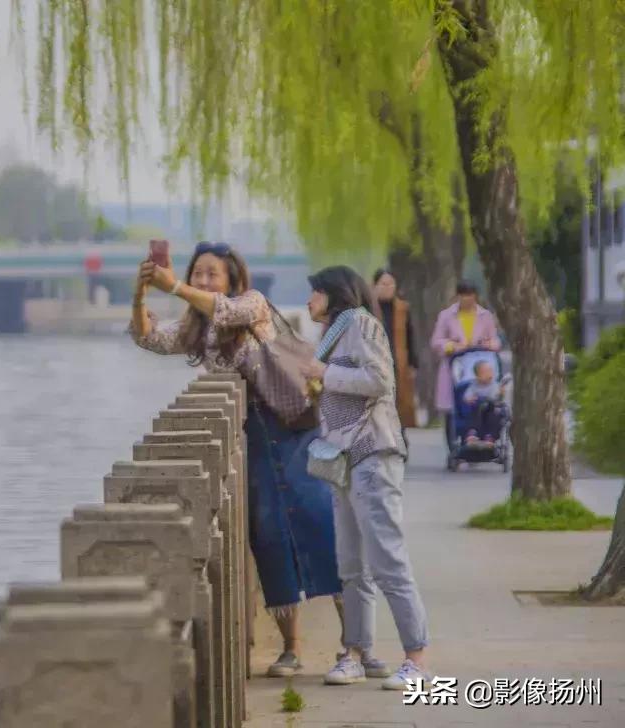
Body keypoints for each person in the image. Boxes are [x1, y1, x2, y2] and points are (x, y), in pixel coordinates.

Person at [130, 242, 377, 679]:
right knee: (269, 537)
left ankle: (356, 647)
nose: (204, 280)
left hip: (296, 429)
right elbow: (149, 337)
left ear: (231, 279)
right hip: (253, 440)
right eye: (198, 273)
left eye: (212, 274)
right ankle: (291, 648)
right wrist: (140, 293)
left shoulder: (253, 305)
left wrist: (178, 287)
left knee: (324, 524)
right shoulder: (197, 328)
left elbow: (225, 311)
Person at [298, 266, 432, 690]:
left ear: (334, 293)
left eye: (315, 293)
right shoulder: (334, 332)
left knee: (387, 559)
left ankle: (416, 659)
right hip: (343, 460)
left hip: (373, 453)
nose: (309, 301)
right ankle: (355, 653)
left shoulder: (359, 323)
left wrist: (324, 374)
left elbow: (379, 380)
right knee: (351, 565)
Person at [430, 280, 501, 443]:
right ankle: (454, 443)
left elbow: (495, 341)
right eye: (463, 295)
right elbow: (436, 341)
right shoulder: (446, 316)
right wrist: (452, 346)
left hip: (479, 365)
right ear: (458, 296)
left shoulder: (485, 316)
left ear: (475, 296)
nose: (467, 299)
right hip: (456, 367)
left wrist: (489, 345)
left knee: (482, 401)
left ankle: (484, 436)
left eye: (470, 295)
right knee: (454, 406)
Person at [372, 270, 418, 431]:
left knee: (400, 401)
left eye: (391, 284)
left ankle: (400, 435)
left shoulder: (402, 308)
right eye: (383, 284)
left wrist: (412, 363)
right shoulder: (368, 309)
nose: (387, 287)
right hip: (376, 362)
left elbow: (410, 336)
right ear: (375, 286)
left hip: (399, 361)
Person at [461, 361, 504, 447]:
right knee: (474, 411)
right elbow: (467, 396)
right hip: (478, 412)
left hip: (490, 410)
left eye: (490, 371)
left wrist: (500, 394)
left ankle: (490, 437)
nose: (489, 374)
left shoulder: (494, 385)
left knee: (495, 415)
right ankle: (473, 434)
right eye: (485, 372)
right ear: (478, 376)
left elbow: (495, 397)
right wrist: (469, 399)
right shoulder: (474, 385)